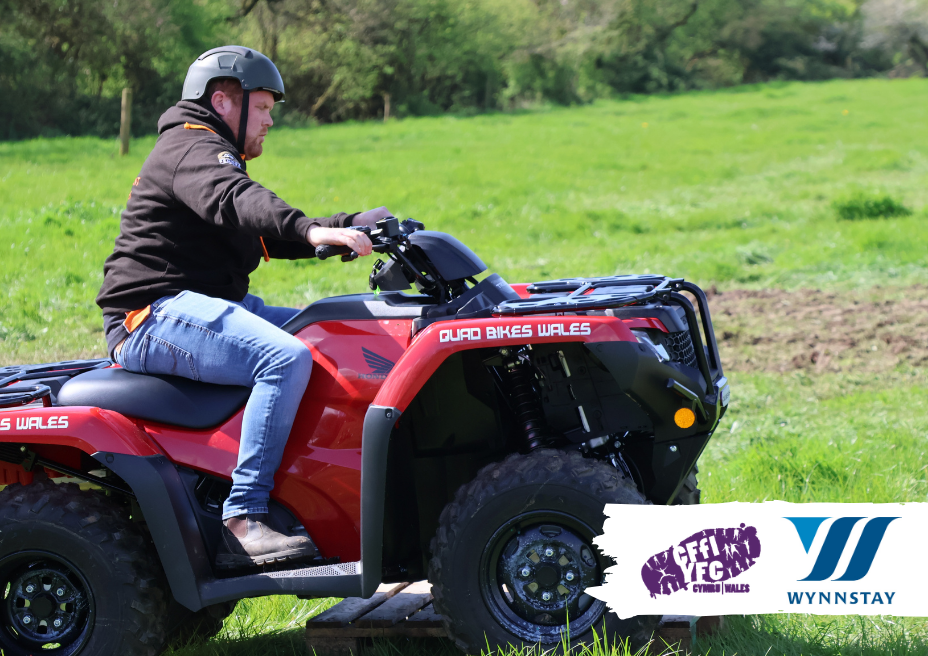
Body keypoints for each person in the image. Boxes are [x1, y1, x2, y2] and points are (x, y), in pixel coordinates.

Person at [96, 45, 390, 570]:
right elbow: (237, 199)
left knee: (326, 331)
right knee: (283, 357)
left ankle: (315, 490)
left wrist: (349, 226)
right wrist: (309, 229)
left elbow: (256, 230)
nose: (271, 120)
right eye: (264, 107)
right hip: (150, 314)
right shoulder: (190, 147)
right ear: (223, 101)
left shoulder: (207, 154)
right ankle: (243, 518)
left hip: (201, 305)